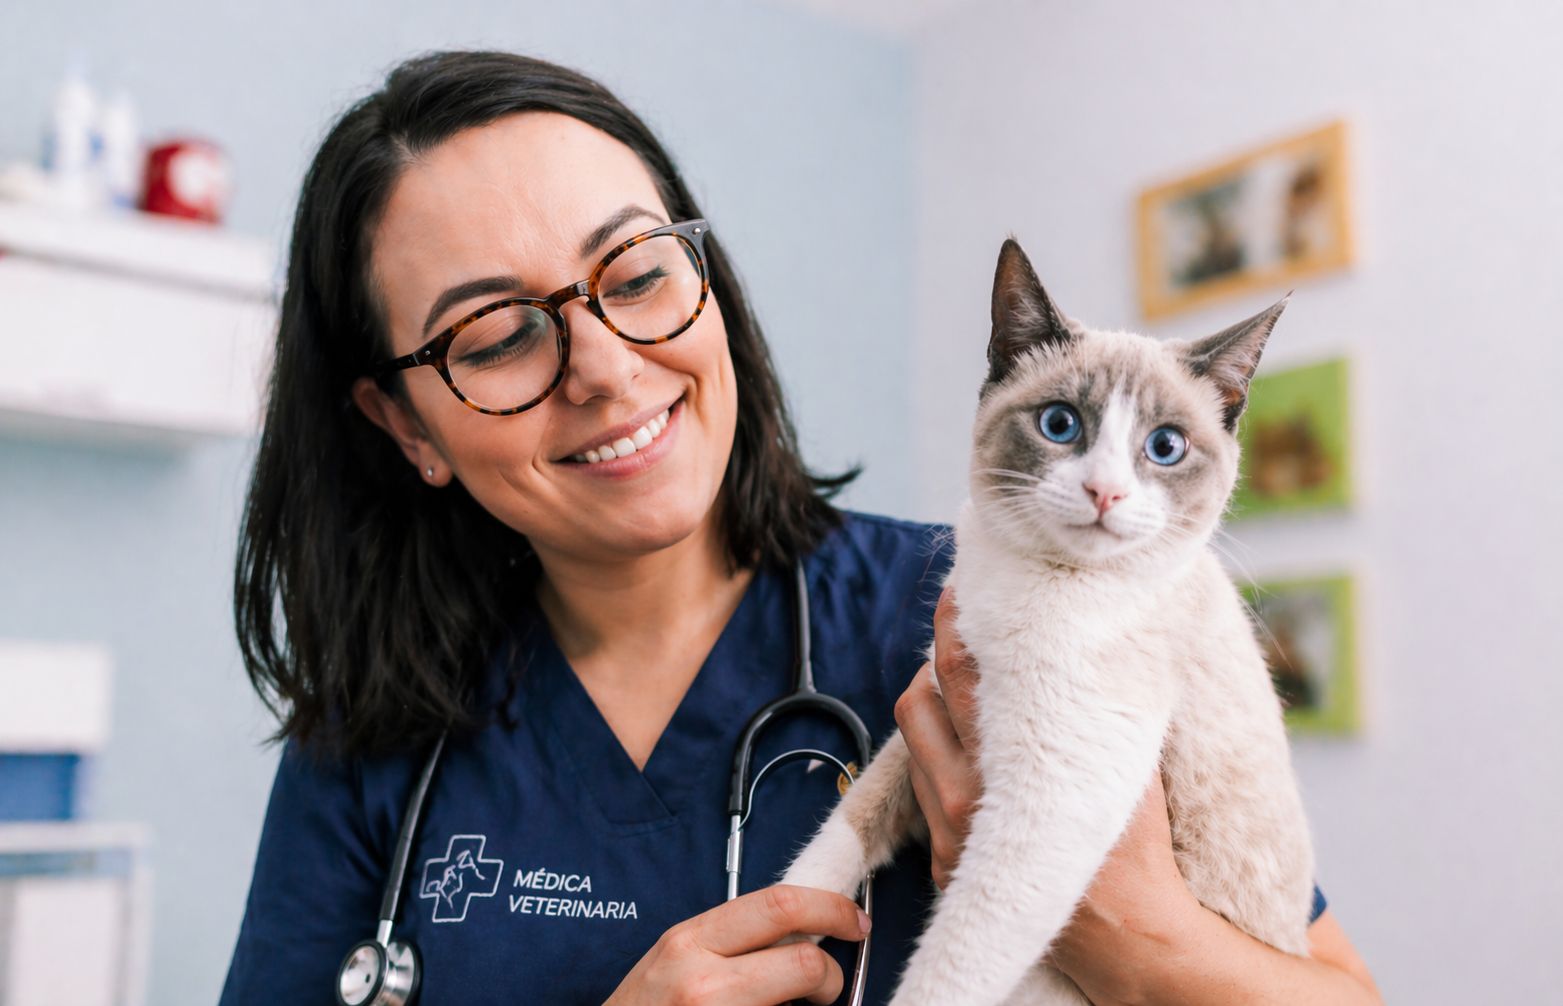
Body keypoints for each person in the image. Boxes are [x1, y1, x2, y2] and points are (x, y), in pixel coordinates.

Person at [219, 50, 1382, 1006]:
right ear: (403, 422)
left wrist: (1129, 931)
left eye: (634, 272)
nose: (609, 371)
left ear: (704, 275)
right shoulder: (370, 737)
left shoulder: (975, 618)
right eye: (494, 337)